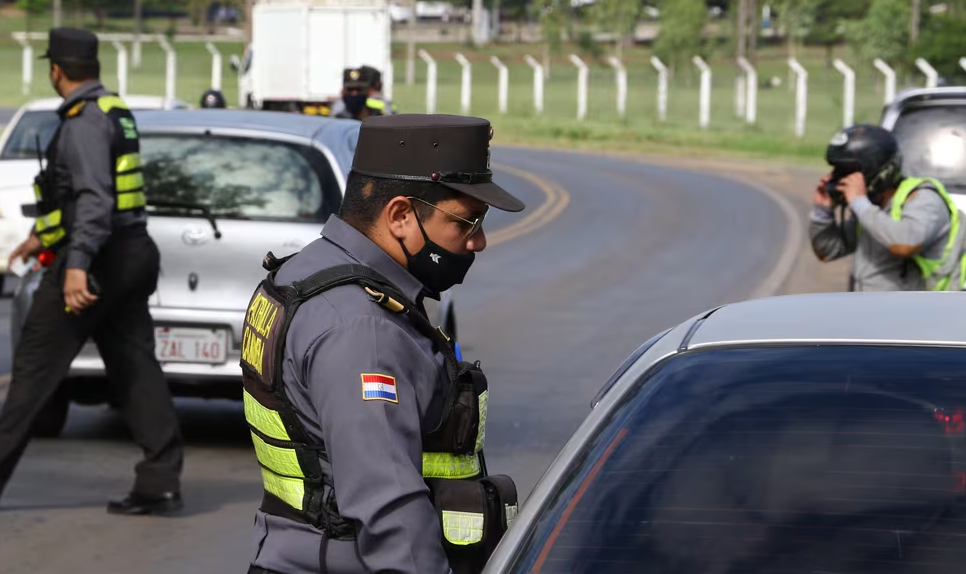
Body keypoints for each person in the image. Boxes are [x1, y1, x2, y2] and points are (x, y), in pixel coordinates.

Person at [243, 114, 525, 574]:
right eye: (466, 221)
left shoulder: (301, 273)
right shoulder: (364, 330)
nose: (479, 241)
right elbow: (389, 510)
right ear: (399, 216)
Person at [0, 28, 184, 514]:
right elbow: (93, 196)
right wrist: (40, 237)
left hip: (98, 258)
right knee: (135, 367)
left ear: (55, 70)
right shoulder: (114, 112)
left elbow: (95, 200)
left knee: (33, 373)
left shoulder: (82, 122)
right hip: (131, 252)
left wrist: (76, 267)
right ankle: (160, 480)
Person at [810, 124, 966, 291]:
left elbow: (905, 244)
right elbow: (827, 251)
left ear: (878, 171)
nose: (840, 178)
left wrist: (859, 202)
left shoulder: (925, 199)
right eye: (837, 171)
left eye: (848, 172)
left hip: (916, 313)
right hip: (869, 310)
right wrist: (823, 211)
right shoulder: (873, 206)